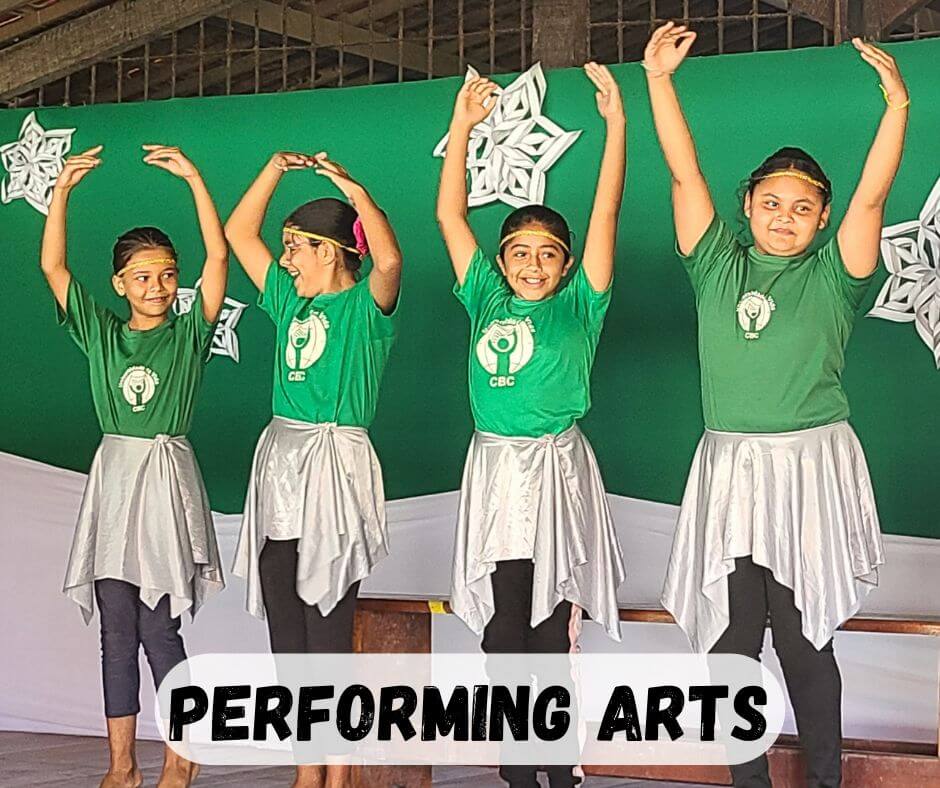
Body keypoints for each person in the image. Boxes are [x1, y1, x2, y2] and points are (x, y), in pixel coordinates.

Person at [644, 22, 909, 787]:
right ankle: (748, 780)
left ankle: (824, 780)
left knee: (802, 640)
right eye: (770, 203)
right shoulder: (716, 267)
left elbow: (873, 196)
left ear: (821, 219)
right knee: (731, 644)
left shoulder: (834, 277)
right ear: (749, 207)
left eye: (802, 207)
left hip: (807, 470)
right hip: (731, 470)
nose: (784, 216)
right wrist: (659, 82)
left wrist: (896, 108)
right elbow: (684, 173)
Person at [436, 63, 628, 788]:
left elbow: (606, 213)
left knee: (550, 632)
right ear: (501, 261)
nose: (534, 264)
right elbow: (451, 217)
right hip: (496, 475)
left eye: (549, 254)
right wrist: (463, 126)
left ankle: (558, 767)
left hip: (553, 474)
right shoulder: (485, 296)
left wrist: (616, 126)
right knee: (503, 630)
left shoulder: (581, 304)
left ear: (567, 263)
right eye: (520, 252)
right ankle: (520, 771)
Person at [41, 144, 228, 788]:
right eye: (142, 277)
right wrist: (61, 192)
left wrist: (195, 179)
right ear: (120, 284)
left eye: (167, 275)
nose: (157, 287)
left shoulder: (188, 335)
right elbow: (53, 265)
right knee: (116, 630)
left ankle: (182, 752)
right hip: (115, 485)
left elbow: (220, 259)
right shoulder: (101, 333)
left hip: (165, 484)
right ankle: (121, 765)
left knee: (159, 627)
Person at [227, 150, 402, 788]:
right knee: (287, 619)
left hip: (335, 470)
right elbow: (237, 233)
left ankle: (339, 769)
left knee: (328, 620)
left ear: (328, 251)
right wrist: (272, 170)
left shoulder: (364, 310)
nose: (285, 260)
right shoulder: (287, 304)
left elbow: (389, 261)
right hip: (282, 469)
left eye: (294, 248)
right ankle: (307, 767)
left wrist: (353, 190)